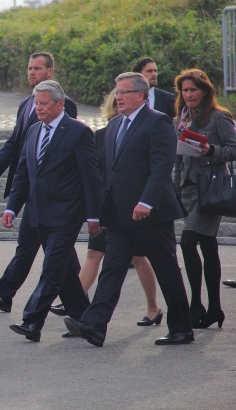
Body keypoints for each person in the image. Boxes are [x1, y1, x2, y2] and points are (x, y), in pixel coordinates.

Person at [64, 72, 194, 347]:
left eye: (124, 92)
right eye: (117, 92)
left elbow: (161, 167)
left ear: (141, 96)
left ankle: (182, 328)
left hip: (152, 215)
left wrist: (146, 201)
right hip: (121, 216)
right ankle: (94, 325)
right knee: (111, 269)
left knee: (166, 269)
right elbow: (108, 176)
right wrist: (99, 213)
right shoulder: (114, 126)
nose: (118, 97)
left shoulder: (157, 122)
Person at [53, 90, 163, 329]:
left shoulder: (145, 126)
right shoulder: (102, 134)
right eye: (115, 100)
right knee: (95, 256)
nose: (118, 104)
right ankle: (79, 308)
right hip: (106, 207)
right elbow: (95, 174)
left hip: (131, 208)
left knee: (138, 258)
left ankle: (153, 307)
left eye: (122, 99)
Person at [2, 80, 102, 343]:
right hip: (38, 214)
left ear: (60, 103)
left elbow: (91, 178)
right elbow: (23, 173)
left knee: (52, 268)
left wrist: (94, 215)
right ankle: (83, 318)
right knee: (66, 271)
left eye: (44, 103)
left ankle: (32, 321)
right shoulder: (33, 131)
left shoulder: (79, 132)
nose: (38, 108)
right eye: (36, 103)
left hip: (67, 215)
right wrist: (12, 206)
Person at [0, 52, 78, 313]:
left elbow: (65, 148)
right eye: (29, 68)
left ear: (50, 72)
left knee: (53, 251)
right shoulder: (26, 104)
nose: (31, 72)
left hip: (53, 192)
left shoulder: (64, 104)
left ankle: (10, 295)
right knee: (46, 249)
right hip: (30, 186)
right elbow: (15, 142)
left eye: (37, 68)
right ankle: (5, 294)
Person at [172, 69, 236, 328]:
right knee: (208, 246)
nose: (188, 95)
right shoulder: (182, 118)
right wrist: (175, 187)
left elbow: (233, 148)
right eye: (184, 90)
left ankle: (195, 305)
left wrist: (211, 150)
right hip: (188, 189)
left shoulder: (220, 118)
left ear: (206, 91)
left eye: (193, 90)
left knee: (188, 243)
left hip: (210, 189)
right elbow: (177, 155)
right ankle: (215, 309)